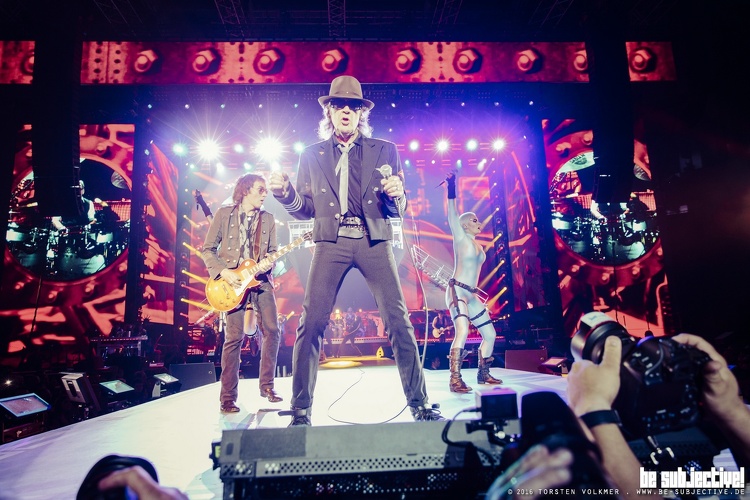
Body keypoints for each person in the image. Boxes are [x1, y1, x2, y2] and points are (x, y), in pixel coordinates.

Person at [268, 75, 443, 425]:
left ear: (361, 113)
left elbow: (397, 209)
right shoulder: (311, 155)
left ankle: (420, 405)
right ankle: (300, 411)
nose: (346, 111)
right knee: (311, 323)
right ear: (329, 112)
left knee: (398, 321)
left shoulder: (385, 150)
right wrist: (285, 194)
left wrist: (397, 194)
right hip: (331, 242)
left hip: (372, 240)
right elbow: (305, 209)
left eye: (353, 106)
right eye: (339, 106)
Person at [202, 173, 283, 412]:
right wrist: (223, 272)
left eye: (265, 190)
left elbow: (273, 251)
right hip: (232, 283)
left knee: (272, 330)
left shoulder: (268, 219)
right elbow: (208, 249)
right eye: (260, 190)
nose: (265, 194)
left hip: (260, 280)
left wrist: (269, 262)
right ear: (246, 190)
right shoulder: (224, 215)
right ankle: (227, 398)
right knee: (234, 338)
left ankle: (267, 386)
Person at [443, 173, 502, 393]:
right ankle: (455, 379)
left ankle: (483, 374)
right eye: (474, 220)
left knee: (490, 335)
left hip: (472, 294)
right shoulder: (460, 238)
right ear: (464, 225)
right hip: (457, 290)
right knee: (463, 330)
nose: (479, 223)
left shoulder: (478, 245)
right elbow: (452, 214)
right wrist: (451, 188)